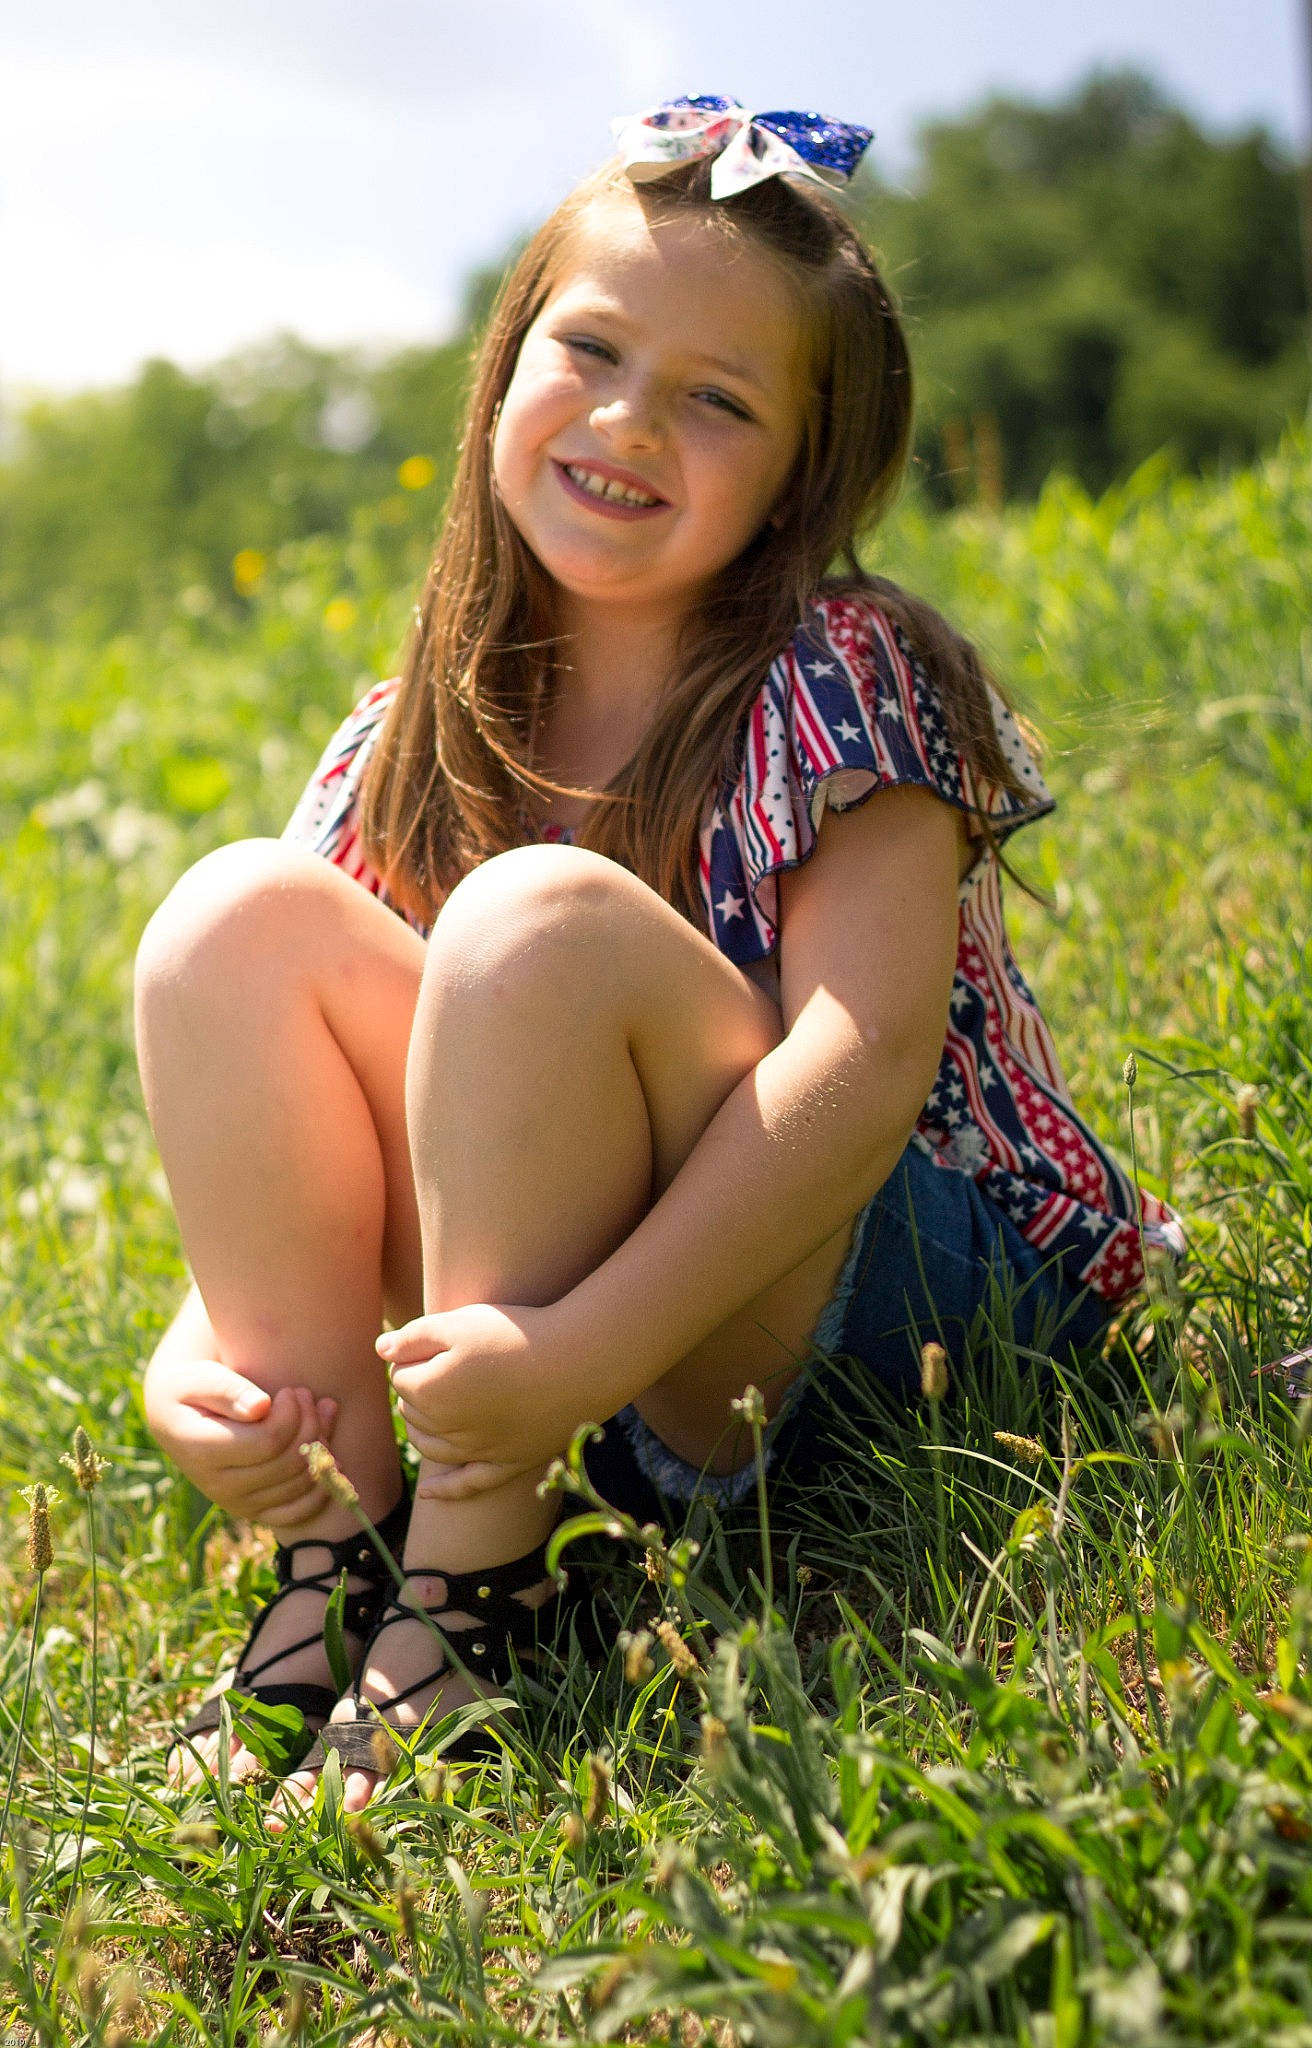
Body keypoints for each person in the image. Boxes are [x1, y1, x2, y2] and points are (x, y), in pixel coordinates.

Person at [134, 96, 1184, 1814]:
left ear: (799, 472)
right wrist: (204, 1368)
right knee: (235, 921)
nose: (631, 420)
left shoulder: (847, 670)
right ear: (505, 367)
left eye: (719, 399)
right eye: (595, 348)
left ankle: (474, 1591)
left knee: (536, 921)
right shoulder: (405, 737)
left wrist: (579, 1351)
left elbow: (861, 1076)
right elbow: (300, 1122)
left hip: (899, 1292)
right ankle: (337, 1558)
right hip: (584, 1340)